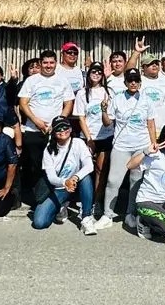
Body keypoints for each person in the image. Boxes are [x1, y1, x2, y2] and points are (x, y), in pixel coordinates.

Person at [17, 50, 75, 209]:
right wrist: (37, 122)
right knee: (36, 167)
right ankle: (39, 200)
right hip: (33, 131)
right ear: (40, 63)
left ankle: (56, 199)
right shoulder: (31, 80)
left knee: (56, 166)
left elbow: (69, 103)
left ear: (56, 63)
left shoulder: (62, 81)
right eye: (45, 63)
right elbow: (23, 103)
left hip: (55, 132)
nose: (48, 66)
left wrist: (58, 121)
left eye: (51, 63)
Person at [102, 69, 157, 226]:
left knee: (136, 181)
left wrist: (153, 143)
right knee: (113, 181)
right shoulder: (118, 99)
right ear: (125, 82)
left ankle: (130, 214)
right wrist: (104, 110)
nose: (133, 82)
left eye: (136, 80)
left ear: (140, 82)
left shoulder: (146, 100)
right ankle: (107, 214)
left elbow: (151, 124)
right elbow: (107, 123)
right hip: (121, 146)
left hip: (141, 146)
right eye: (130, 80)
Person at [32, 117, 95, 231]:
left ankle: (86, 217)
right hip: (60, 187)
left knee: (86, 177)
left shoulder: (78, 143)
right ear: (53, 132)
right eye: (58, 129)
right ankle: (61, 206)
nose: (62, 131)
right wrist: (65, 182)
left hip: (77, 184)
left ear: (70, 129)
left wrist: (75, 177)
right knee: (39, 222)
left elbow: (89, 166)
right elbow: (51, 177)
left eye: (65, 127)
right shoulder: (48, 150)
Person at [75, 62, 113, 219]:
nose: (96, 74)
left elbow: (110, 117)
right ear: (88, 74)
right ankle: (84, 202)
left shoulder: (107, 92)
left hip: (105, 135)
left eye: (99, 72)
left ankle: (97, 202)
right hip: (88, 136)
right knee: (85, 170)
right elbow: (81, 117)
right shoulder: (82, 93)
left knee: (100, 171)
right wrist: (89, 138)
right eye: (93, 72)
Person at [138, 52, 165, 131]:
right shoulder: (137, 82)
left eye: (156, 63)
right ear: (143, 67)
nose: (154, 65)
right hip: (143, 131)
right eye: (150, 63)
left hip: (164, 131)